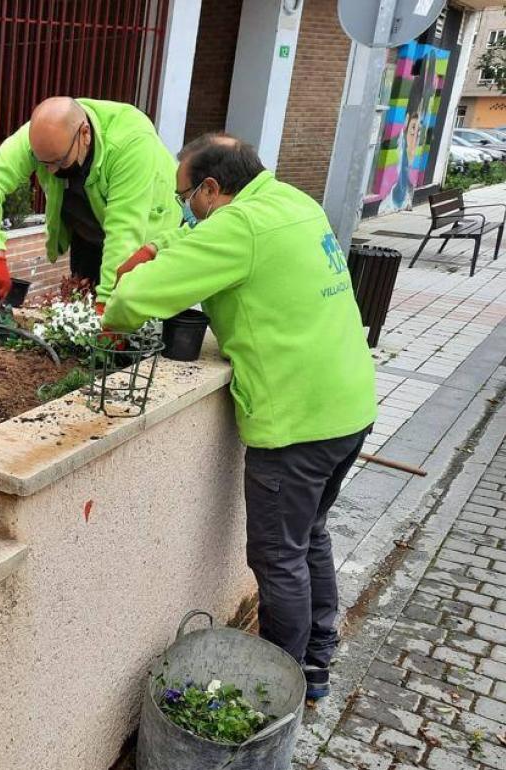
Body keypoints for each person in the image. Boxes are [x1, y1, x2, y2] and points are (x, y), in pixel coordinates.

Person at [102, 133, 377, 701]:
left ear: (210, 188)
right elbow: (205, 244)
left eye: (185, 197)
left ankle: (279, 688)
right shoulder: (292, 202)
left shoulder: (237, 228)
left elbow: (131, 303)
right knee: (308, 536)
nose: (184, 208)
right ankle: (318, 662)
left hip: (297, 422)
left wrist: (125, 293)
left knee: (277, 558)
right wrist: (161, 246)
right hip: (349, 405)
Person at [0, 96, 181, 306]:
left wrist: (106, 305)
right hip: (88, 233)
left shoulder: (130, 141)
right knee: (81, 305)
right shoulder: (42, 134)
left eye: (59, 161)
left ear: (85, 134)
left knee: (134, 314)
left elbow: (123, 233)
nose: (51, 170)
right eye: (44, 163)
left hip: (145, 236)